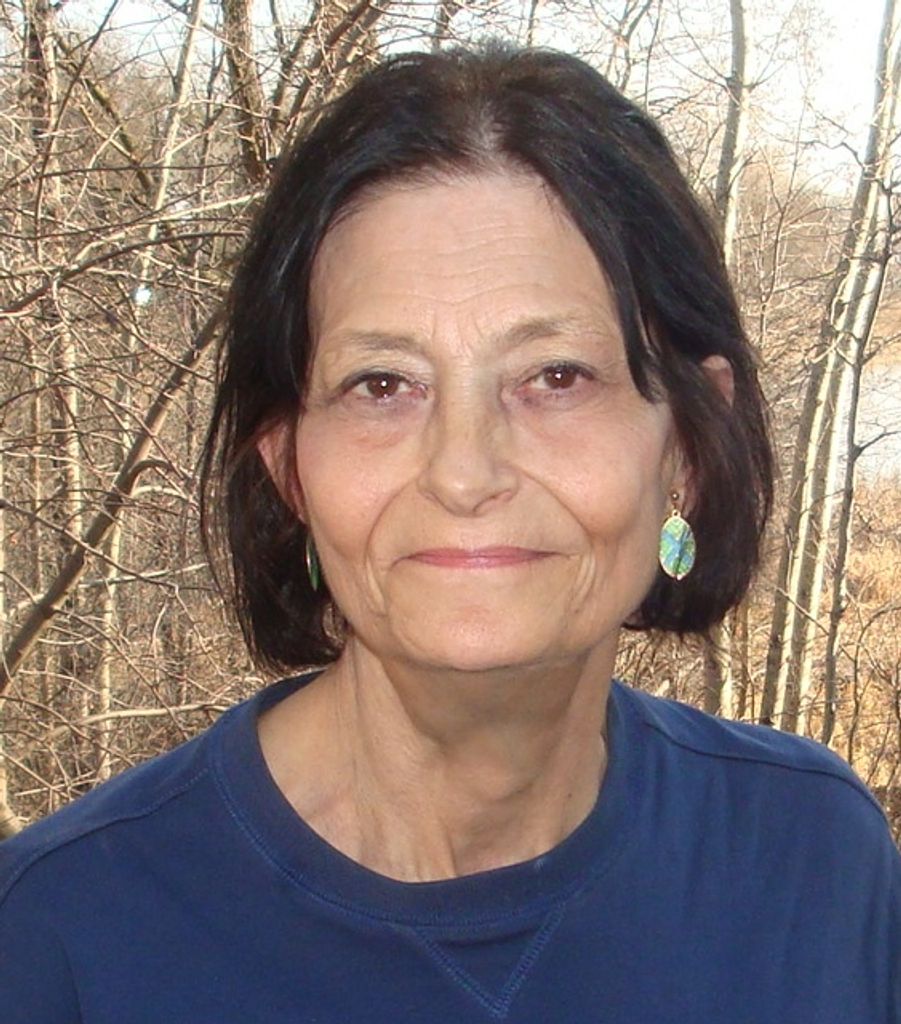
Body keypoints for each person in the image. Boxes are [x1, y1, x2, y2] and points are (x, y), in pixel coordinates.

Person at [1, 42, 898, 1023]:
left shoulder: (813, 865)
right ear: (289, 465)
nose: (464, 473)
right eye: (382, 384)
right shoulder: (59, 941)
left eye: (555, 377)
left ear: (686, 441)